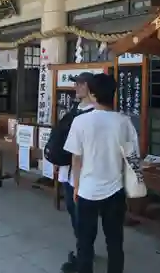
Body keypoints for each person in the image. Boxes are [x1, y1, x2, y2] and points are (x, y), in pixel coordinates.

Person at [64, 73, 139, 273]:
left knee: (85, 241)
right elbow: (132, 157)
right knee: (114, 242)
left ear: (93, 94)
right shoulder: (124, 122)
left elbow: (76, 159)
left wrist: (76, 186)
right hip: (115, 190)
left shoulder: (81, 122)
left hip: (87, 190)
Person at [59, 72, 95, 273]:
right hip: (68, 170)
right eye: (76, 84)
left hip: (82, 174)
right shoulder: (75, 108)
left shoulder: (93, 113)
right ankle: (83, 251)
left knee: (83, 217)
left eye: (80, 84)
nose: (76, 87)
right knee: (74, 214)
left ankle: (84, 258)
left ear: (89, 88)